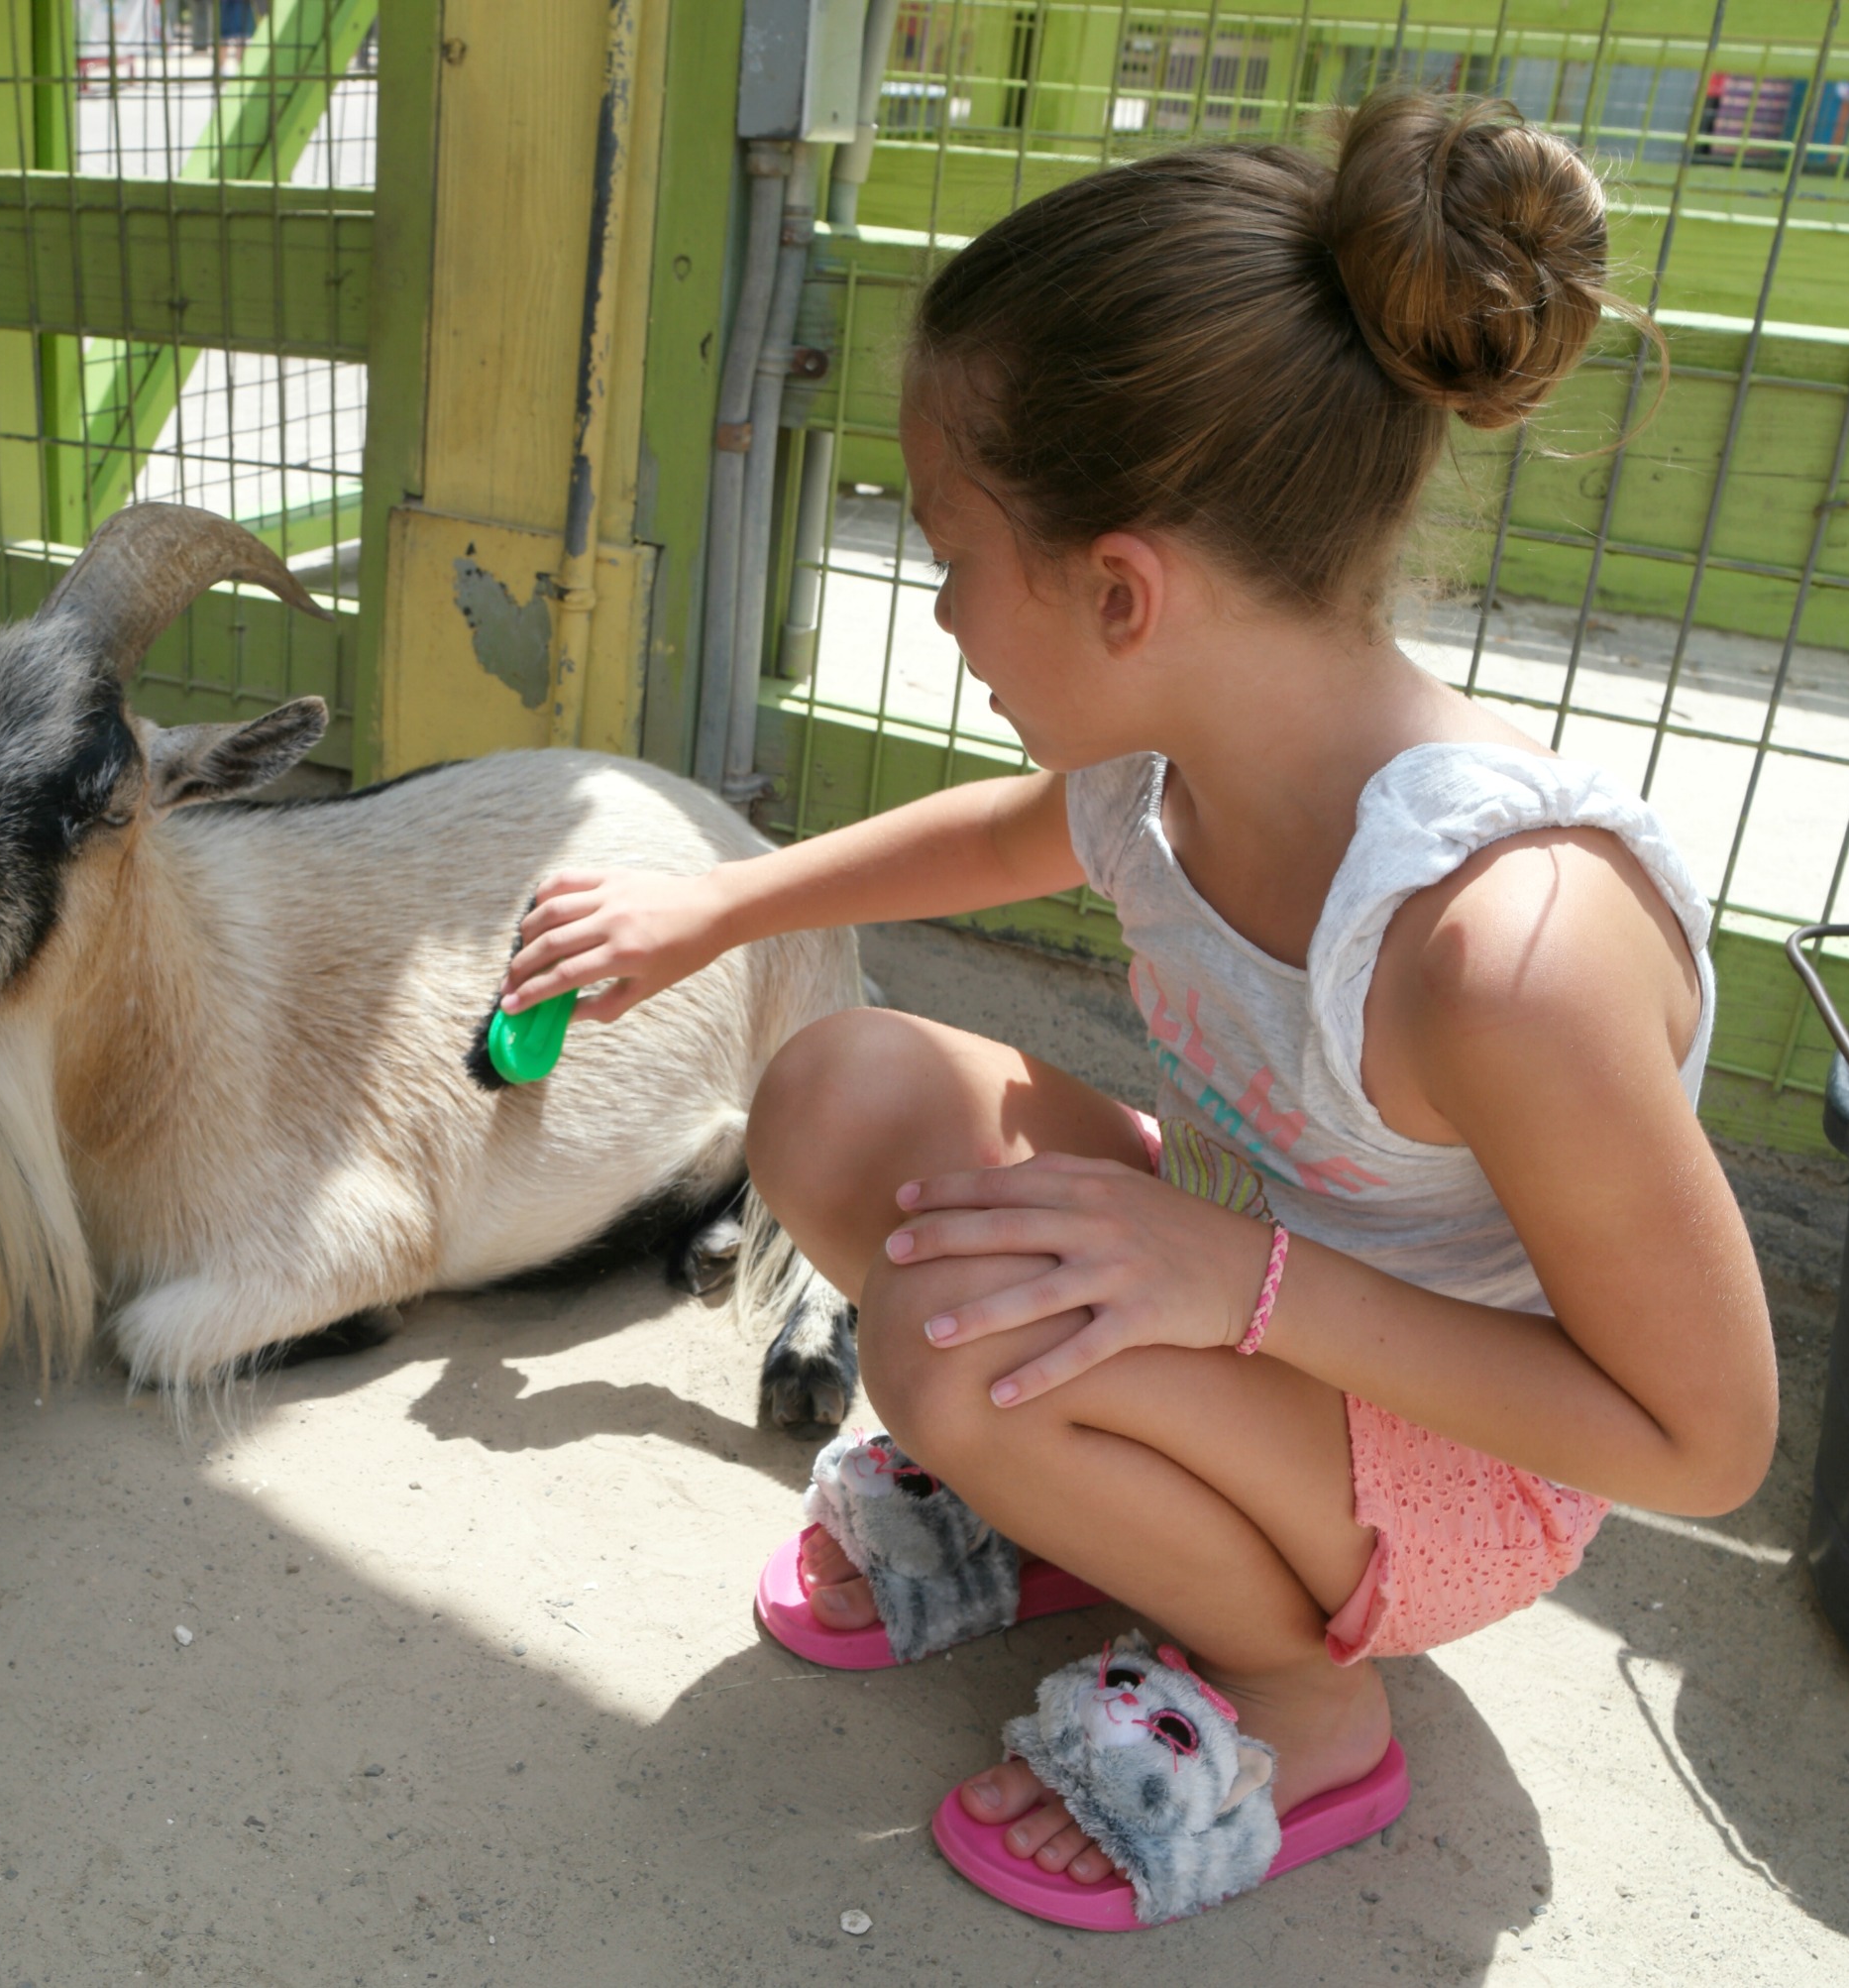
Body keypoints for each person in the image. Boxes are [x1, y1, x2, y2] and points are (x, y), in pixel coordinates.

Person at [494, 90, 1778, 1925]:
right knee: (833, 1094)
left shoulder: (1500, 947)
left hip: (1456, 1457)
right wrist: (719, 903)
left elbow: (1704, 1441)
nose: (942, 609)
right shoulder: (1165, 755)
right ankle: (1083, 1504)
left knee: (947, 1350)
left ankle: (1299, 1700)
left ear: (1121, 590)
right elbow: (1003, 831)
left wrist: (1242, 1283)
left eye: (948, 550)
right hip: (1243, 1279)